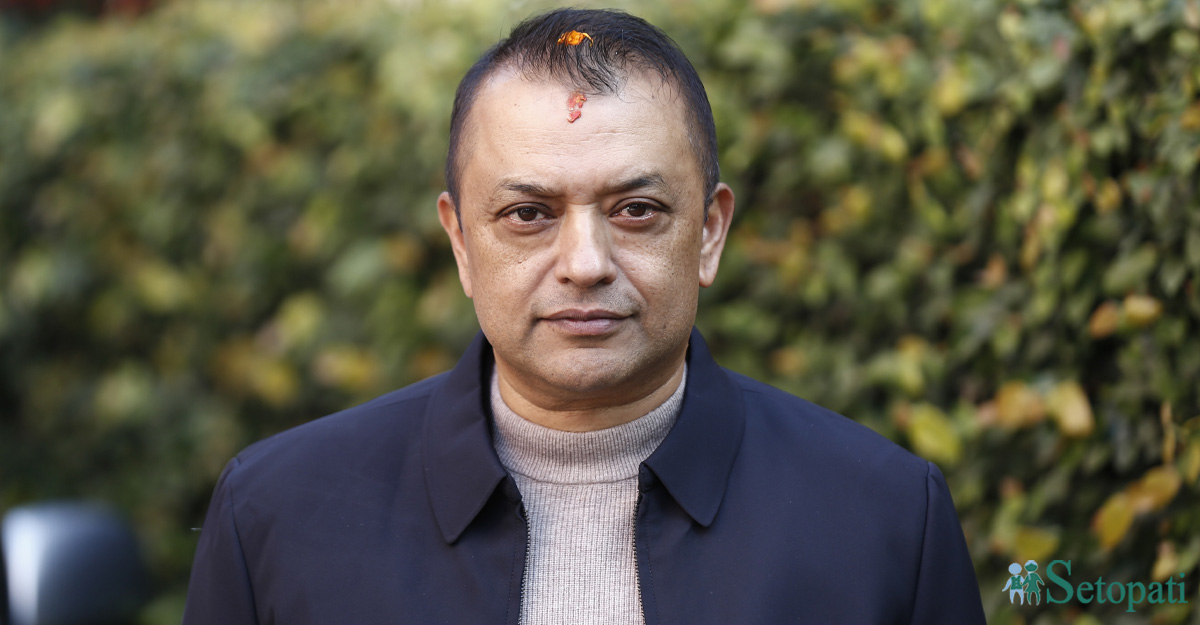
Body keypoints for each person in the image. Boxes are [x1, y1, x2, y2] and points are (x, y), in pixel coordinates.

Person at [182, 8, 986, 624]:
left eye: (636, 210)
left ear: (709, 232)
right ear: (461, 242)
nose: (586, 262)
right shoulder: (280, 516)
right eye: (528, 214)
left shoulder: (883, 518)